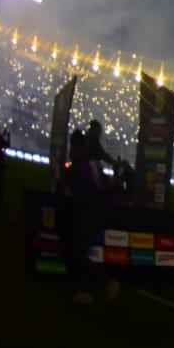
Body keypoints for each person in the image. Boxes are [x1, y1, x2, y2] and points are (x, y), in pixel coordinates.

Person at [68, 128, 119, 305]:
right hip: (96, 211)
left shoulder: (82, 164)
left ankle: (96, 287)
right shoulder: (92, 162)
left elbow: (90, 189)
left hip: (90, 212)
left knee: (79, 252)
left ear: (76, 146)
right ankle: (92, 287)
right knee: (79, 252)